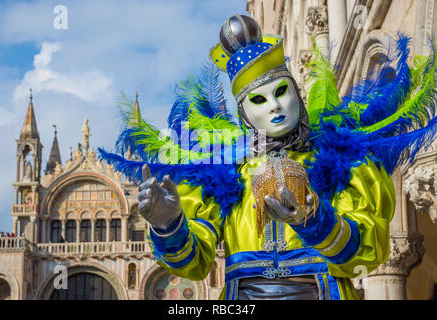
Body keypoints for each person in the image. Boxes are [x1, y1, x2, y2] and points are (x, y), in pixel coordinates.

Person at [100, 15, 436, 300]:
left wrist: (316, 222)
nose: (274, 107)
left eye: (281, 92)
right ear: (244, 114)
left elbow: (366, 254)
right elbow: (196, 264)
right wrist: (169, 224)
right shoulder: (227, 177)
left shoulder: (338, 163)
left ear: (297, 94)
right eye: (258, 101)